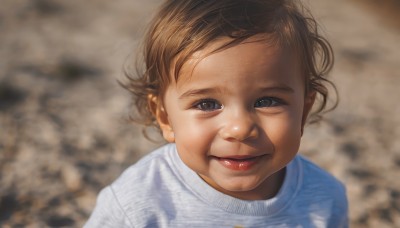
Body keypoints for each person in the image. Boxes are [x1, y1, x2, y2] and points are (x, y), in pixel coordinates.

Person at [85, 0, 348, 227]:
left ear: (303, 111)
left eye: (267, 101)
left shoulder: (324, 199)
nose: (240, 128)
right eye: (207, 104)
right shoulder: (137, 203)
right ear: (164, 118)